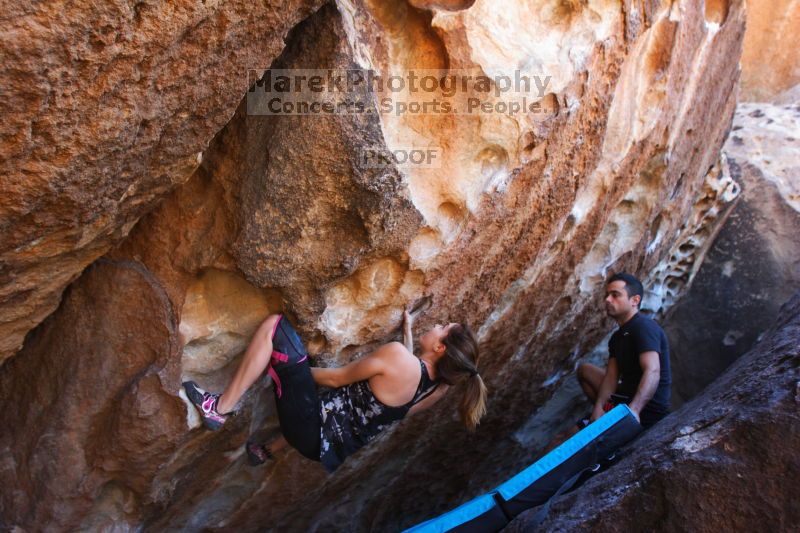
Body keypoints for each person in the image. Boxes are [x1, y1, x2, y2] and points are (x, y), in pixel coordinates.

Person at [182, 306, 488, 472]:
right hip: (323, 448)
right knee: (341, 410)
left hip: (309, 425)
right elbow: (407, 374)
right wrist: (407, 328)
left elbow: (335, 379)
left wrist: (294, 370)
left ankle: (218, 408)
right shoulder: (437, 390)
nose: (438, 325)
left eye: (443, 328)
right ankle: (265, 451)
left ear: (439, 346)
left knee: (276, 327)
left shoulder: (398, 358)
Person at [543, 272, 671, 452]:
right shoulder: (618, 337)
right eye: (607, 295)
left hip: (646, 411)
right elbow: (611, 378)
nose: (608, 300)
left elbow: (653, 371)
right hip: (622, 402)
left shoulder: (644, 327)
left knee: (563, 442)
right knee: (585, 371)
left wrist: (633, 411)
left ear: (634, 300)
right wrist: (598, 409)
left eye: (615, 295)